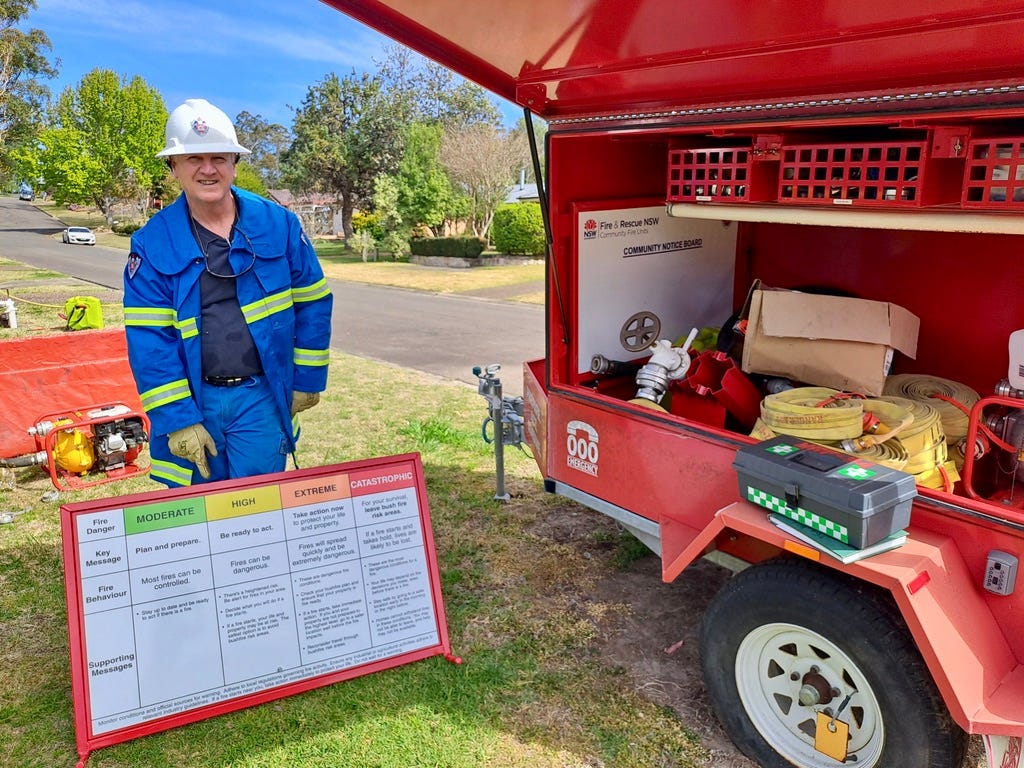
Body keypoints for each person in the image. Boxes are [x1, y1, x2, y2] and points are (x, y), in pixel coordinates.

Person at [123, 98, 333, 488]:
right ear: (173, 168)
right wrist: (178, 418)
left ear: (235, 164)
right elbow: (150, 340)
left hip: (262, 396)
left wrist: (306, 379)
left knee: (262, 506)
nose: (208, 169)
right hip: (194, 400)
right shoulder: (152, 244)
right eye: (193, 159)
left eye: (219, 157)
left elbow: (313, 302)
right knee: (201, 516)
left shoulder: (280, 225)